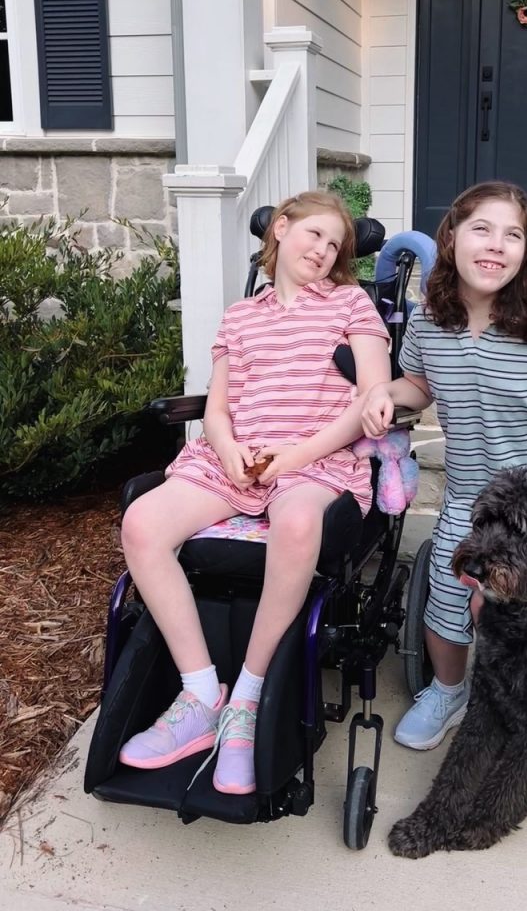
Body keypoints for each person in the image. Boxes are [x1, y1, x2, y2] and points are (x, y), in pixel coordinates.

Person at [118, 191, 391, 795]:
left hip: (315, 461)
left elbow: (368, 391)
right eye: (313, 234)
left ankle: (246, 698)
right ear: (283, 229)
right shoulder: (242, 315)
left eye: (335, 245)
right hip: (236, 460)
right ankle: (199, 694)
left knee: (295, 524)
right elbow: (218, 407)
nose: (322, 251)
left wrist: (301, 451)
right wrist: (228, 449)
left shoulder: (351, 303)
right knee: (141, 523)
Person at [361, 181, 527, 813]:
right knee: (448, 601)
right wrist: (390, 396)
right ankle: (448, 690)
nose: (496, 245)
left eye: (513, 235)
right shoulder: (431, 314)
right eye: (482, 229)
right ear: (451, 236)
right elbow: (418, 381)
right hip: (474, 499)